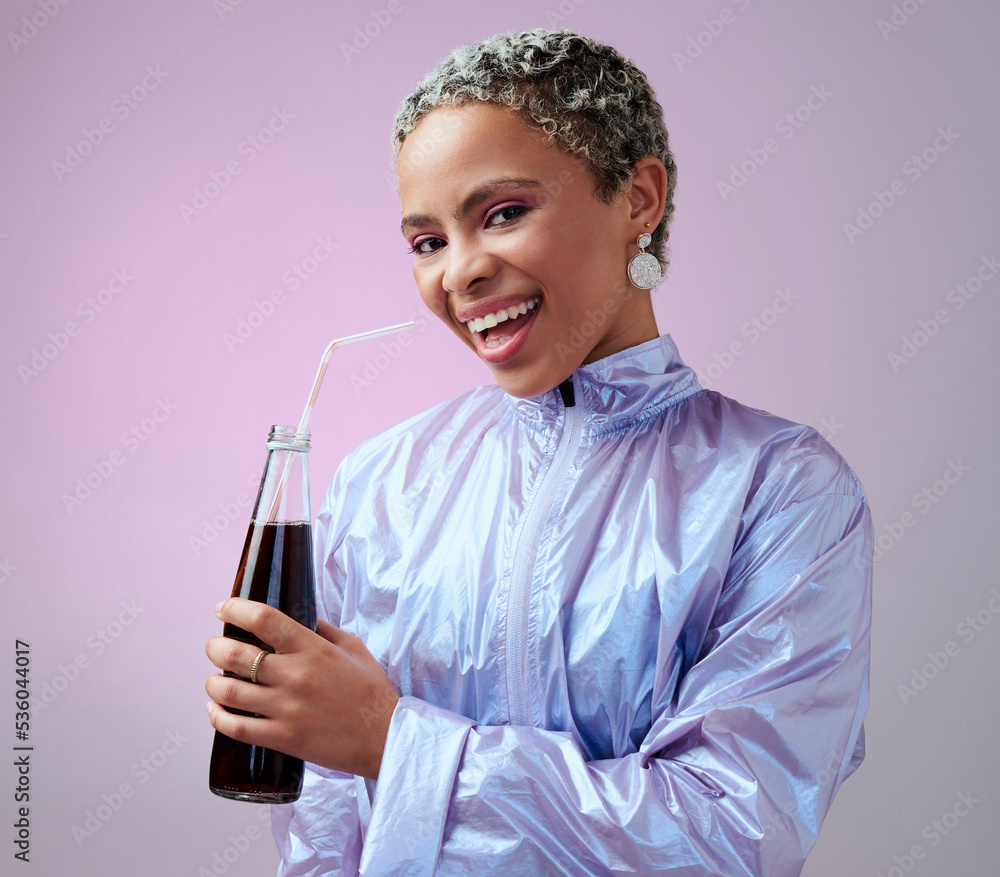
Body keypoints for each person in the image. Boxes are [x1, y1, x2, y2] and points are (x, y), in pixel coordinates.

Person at [205, 29, 873, 876]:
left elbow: (728, 834)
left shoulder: (779, 491)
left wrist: (393, 740)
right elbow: (329, 820)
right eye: (427, 241)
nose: (459, 273)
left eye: (504, 213)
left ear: (638, 197)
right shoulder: (385, 480)